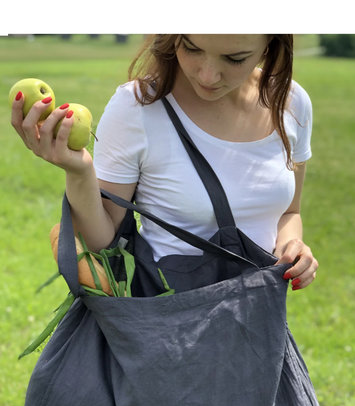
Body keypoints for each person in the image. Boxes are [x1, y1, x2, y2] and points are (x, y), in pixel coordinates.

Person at [11, 31, 318, 291]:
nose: (207, 75)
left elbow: (289, 212)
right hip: (164, 330)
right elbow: (101, 244)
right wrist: (79, 171)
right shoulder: (138, 107)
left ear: (270, 46)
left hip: (259, 330)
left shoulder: (291, 103)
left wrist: (293, 247)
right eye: (191, 48)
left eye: (235, 58)